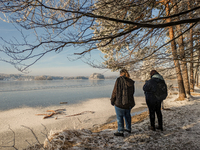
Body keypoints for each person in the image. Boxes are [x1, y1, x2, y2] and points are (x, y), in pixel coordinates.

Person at [110, 69, 135, 137]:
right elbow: (132, 92)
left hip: (120, 102)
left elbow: (115, 91)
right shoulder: (131, 81)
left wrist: (112, 100)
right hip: (128, 102)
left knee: (120, 117)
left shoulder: (119, 80)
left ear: (121, 74)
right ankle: (128, 128)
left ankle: (120, 131)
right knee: (127, 116)